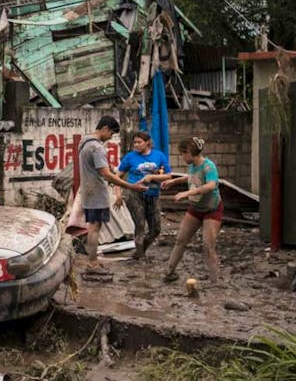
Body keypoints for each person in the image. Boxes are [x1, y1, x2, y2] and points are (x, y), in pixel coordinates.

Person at [78, 115, 148, 273]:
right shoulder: (97, 147)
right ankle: (92, 264)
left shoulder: (84, 143)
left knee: (93, 226)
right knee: (95, 227)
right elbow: (106, 174)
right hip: (96, 192)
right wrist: (131, 186)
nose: (110, 138)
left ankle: (92, 261)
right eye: (111, 134)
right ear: (104, 129)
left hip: (88, 190)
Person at [159, 137, 224, 283]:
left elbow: (211, 185)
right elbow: (192, 177)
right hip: (196, 208)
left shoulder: (209, 166)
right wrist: (175, 181)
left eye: (182, 154)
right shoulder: (193, 165)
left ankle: (215, 281)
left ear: (189, 152)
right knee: (180, 240)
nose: (181, 157)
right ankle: (170, 272)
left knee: (208, 245)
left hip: (211, 209)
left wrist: (187, 193)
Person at [115, 131, 171, 260]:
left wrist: (152, 176)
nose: (136, 145)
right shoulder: (130, 157)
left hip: (153, 194)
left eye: (139, 142)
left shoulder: (159, 156)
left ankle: (140, 252)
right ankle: (141, 257)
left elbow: (168, 175)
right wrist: (118, 195)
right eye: (134, 142)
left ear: (147, 143)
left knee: (156, 229)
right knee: (140, 225)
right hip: (134, 194)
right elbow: (117, 177)